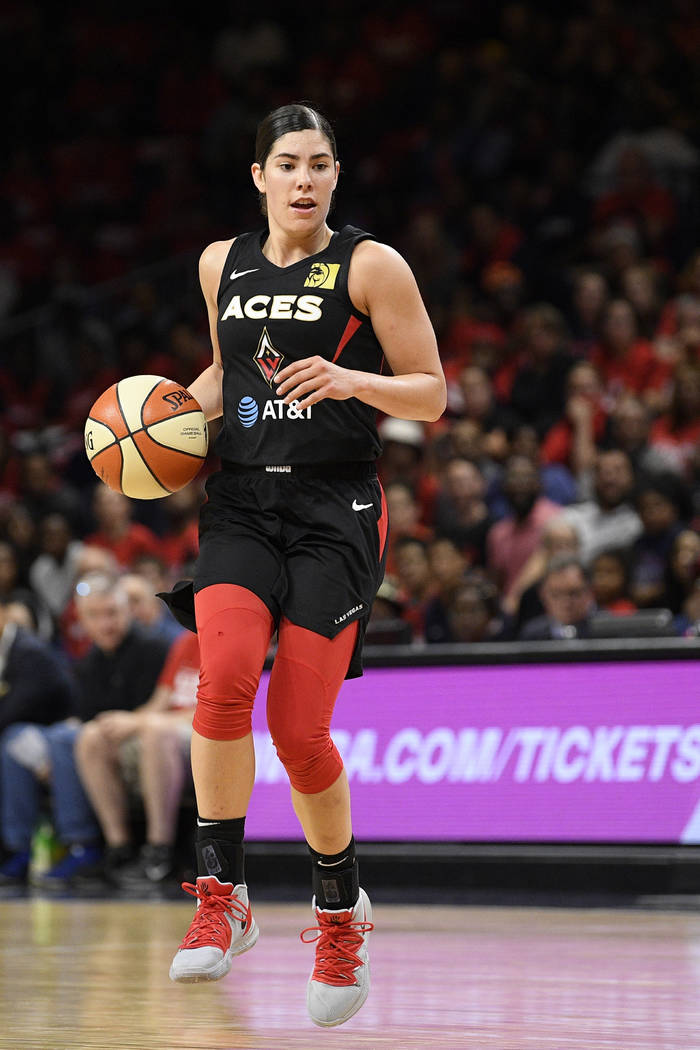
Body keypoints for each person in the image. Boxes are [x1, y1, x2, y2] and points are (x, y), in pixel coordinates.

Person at [159, 102, 446, 1028]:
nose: (305, 179)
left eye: (320, 163)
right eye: (288, 163)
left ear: (335, 175)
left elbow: (435, 393)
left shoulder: (370, 264)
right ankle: (222, 897)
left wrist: (352, 378)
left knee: (299, 731)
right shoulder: (221, 262)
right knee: (223, 681)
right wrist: (152, 422)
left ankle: (339, 914)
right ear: (259, 176)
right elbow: (222, 373)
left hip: (335, 510)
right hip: (241, 502)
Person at [0, 571, 169, 888]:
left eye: (112, 613)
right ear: (82, 620)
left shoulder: (154, 649)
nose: (106, 624)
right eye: (95, 616)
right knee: (16, 740)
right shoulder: (90, 661)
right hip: (93, 737)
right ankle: (17, 848)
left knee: (66, 739)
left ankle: (83, 845)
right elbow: (81, 715)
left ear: (128, 611)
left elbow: (159, 709)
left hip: (135, 741)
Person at [74, 628, 199, 889]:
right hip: (164, 726)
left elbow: (216, 710)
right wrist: (129, 720)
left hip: (204, 735)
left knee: (155, 731)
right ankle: (118, 849)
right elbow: (159, 702)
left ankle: (159, 852)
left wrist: (142, 721)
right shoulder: (188, 641)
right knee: (94, 735)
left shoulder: (233, 643)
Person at [518, 554, 595, 640]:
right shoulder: (532, 634)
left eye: (573, 593)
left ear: (590, 592)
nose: (566, 603)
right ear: (543, 595)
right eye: (556, 595)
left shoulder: (608, 629)